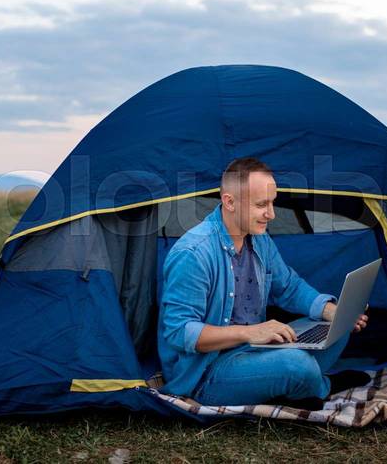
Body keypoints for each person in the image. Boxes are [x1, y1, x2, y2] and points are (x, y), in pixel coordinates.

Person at [157, 157, 370, 409]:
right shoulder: (193, 253)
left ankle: (297, 383)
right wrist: (249, 332)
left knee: (337, 325)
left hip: (255, 351)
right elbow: (179, 332)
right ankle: (318, 386)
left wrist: (331, 310)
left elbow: (288, 287)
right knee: (298, 366)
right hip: (206, 372)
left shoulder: (259, 239)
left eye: (272, 202)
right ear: (229, 202)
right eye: (261, 205)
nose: (271, 214)